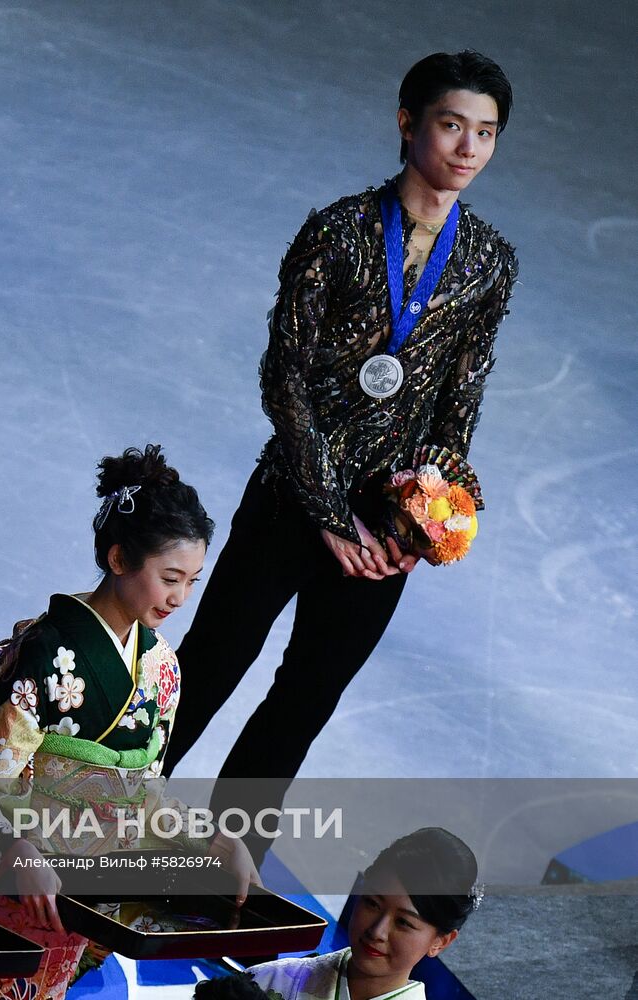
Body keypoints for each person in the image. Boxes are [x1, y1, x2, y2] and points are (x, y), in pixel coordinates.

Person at [163, 51, 520, 857]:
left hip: (387, 525)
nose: (468, 148)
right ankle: (91, 833)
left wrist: (423, 512)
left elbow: (461, 398)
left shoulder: (489, 261)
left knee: (308, 694)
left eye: (486, 133)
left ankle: (225, 864)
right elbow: (282, 376)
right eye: (451, 124)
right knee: (212, 664)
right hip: (293, 495)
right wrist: (326, 513)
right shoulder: (339, 232)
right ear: (407, 122)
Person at [0, 445, 260, 1000]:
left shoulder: (162, 668)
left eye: (192, 582)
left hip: (78, 895)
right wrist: (16, 848)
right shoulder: (47, 651)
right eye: (170, 577)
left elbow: (143, 797)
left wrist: (212, 837)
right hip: (5, 885)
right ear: (119, 558)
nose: (179, 598)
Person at [245, 827, 479, 1000]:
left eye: (403, 922)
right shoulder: (269, 982)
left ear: (441, 941)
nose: (377, 931)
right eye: (372, 903)